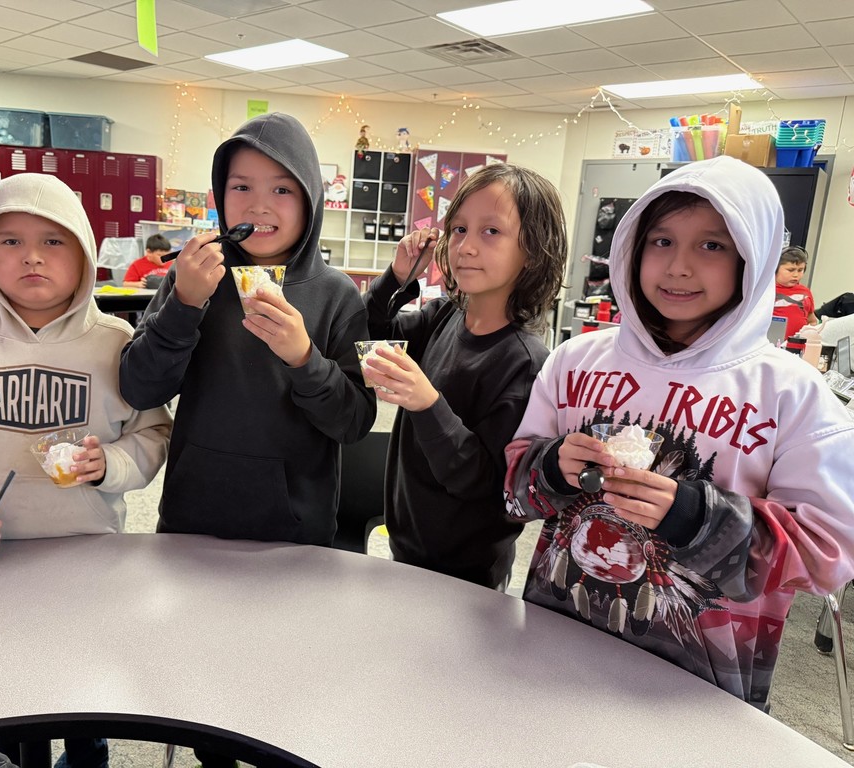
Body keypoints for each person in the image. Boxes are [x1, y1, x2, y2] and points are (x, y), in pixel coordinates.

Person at [502, 155, 854, 710]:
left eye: (712, 245)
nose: (678, 267)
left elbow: (825, 556)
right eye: (661, 241)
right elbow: (516, 489)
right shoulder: (576, 362)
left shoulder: (793, 395)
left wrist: (698, 516)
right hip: (555, 646)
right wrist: (551, 466)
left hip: (699, 686)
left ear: (752, 258)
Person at [0, 173, 173, 768]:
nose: (32, 258)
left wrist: (112, 465)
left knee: (82, 683)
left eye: (53, 241)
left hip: (89, 553)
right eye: (11, 241)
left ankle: (87, 749)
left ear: (85, 255)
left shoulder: (116, 341)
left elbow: (154, 431)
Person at [119, 113, 375, 767]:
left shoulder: (339, 296)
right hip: (195, 522)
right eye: (242, 187)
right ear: (219, 195)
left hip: (290, 533)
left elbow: (355, 418)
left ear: (311, 199)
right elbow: (139, 385)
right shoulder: (189, 275)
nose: (260, 205)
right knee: (202, 687)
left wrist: (303, 357)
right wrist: (184, 303)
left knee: (277, 689)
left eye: (282, 189)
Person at [361, 163, 567, 590]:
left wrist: (426, 403)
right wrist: (396, 279)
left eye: (491, 232)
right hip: (404, 549)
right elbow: (370, 332)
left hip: (467, 578)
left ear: (533, 251)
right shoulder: (443, 317)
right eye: (458, 229)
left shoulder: (527, 363)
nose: (466, 247)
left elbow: (487, 485)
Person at [772, 244, 817, 338]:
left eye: (800, 270)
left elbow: (812, 321)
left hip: (798, 347)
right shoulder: (766, 291)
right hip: (772, 345)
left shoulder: (805, 292)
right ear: (775, 268)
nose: (796, 275)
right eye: (790, 270)